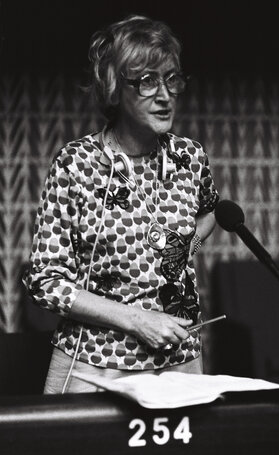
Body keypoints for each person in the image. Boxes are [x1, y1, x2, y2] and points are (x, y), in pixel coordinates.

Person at [23, 14, 219, 393]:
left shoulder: (190, 157)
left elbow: (209, 211)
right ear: (114, 88)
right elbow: (45, 282)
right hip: (95, 365)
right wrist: (136, 319)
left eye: (171, 78)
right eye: (147, 81)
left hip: (180, 360)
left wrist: (185, 250)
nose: (164, 95)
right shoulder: (76, 163)